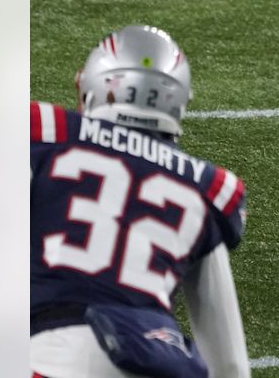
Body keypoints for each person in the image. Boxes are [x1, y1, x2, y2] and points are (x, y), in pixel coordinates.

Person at [30, 26, 251, 377]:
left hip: (55, 352)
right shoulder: (207, 186)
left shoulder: (45, 134)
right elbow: (230, 364)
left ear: (91, 87)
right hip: (162, 358)